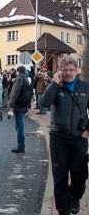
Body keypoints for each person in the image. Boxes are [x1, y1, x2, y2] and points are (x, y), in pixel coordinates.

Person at [41, 56, 89, 215]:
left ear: (77, 70)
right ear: (60, 71)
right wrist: (54, 83)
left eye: (71, 69)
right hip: (58, 138)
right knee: (60, 176)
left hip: (79, 137)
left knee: (79, 175)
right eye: (65, 70)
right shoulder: (56, 86)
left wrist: (87, 131)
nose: (69, 73)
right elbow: (44, 103)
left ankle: (75, 195)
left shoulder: (85, 87)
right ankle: (63, 210)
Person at [7, 66, 29, 153]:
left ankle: (20, 146)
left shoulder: (19, 78)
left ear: (18, 71)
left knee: (19, 126)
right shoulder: (25, 78)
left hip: (19, 105)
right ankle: (20, 145)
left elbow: (16, 92)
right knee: (19, 125)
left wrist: (11, 103)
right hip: (23, 104)